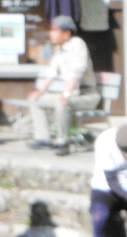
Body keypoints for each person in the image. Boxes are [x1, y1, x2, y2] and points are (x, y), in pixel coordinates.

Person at [25, 14, 100, 156]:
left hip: (86, 95)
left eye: (55, 30)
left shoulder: (78, 44)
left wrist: (66, 94)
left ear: (66, 33)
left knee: (62, 103)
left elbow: (77, 72)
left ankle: (62, 141)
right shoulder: (59, 49)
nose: (51, 33)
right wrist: (40, 91)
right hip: (72, 94)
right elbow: (52, 71)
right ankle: (43, 138)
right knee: (35, 100)